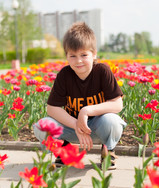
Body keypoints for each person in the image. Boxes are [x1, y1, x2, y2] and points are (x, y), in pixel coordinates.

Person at [33, 22, 126, 170]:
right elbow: (52, 109)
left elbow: (117, 104)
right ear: (67, 56)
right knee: (41, 126)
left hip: (98, 127)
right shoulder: (64, 75)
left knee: (113, 121)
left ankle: (107, 151)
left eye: (84, 55)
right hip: (72, 128)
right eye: (73, 56)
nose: (79, 61)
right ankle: (65, 152)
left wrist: (86, 111)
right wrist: (76, 124)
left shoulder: (102, 71)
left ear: (94, 53)